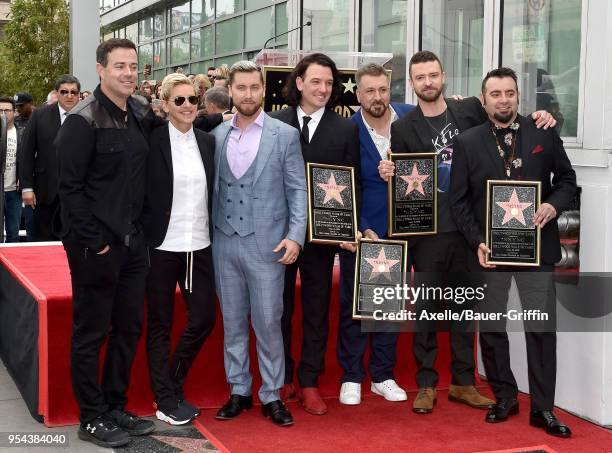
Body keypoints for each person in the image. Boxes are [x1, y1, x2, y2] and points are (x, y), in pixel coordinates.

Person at [379, 51, 555, 415]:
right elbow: (401, 173)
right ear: (411, 83)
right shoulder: (403, 126)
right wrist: (390, 174)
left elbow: (505, 121)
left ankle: (462, 382)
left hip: (469, 229)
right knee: (427, 307)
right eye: (420, 77)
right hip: (427, 232)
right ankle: (426, 384)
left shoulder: (469, 109)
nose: (428, 82)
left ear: (443, 77)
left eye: (433, 75)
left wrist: (545, 115)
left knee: (464, 309)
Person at [450, 67, 576, 437]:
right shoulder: (468, 141)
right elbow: (458, 202)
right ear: (483, 98)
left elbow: (567, 180)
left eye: (509, 93)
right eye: (495, 94)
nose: (503, 100)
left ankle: (543, 409)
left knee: (540, 329)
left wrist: (553, 205)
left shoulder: (543, 131)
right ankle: (505, 396)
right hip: (490, 252)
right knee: (491, 328)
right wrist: (478, 242)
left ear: (518, 95)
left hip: (536, 249)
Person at [55, 38, 159, 448]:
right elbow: (71, 190)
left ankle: (115, 405)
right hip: (95, 246)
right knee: (91, 332)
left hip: (134, 244)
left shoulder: (138, 112)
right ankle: (91, 416)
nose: (129, 73)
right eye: (120, 66)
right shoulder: (82, 119)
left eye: (133, 66)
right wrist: (96, 242)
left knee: (128, 329)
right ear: (100, 69)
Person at [212, 61, 306, 427]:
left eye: (254, 87)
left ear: (263, 90)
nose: (248, 94)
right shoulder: (217, 135)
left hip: (267, 245)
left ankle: (272, 394)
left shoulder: (284, 135)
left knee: (268, 323)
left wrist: (296, 235)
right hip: (223, 243)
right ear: (230, 91)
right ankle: (239, 390)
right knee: (233, 323)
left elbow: (298, 191)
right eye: (241, 88)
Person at [270, 53, 361, 415]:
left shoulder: (346, 129)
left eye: (329, 83)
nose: (323, 89)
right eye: (316, 81)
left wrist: (347, 225)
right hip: (279, 236)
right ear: (299, 84)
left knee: (315, 310)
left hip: (323, 240)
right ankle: (282, 377)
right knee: (277, 309)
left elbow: (353, 182)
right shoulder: (274, 123)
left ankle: (309, 381)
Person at [336, 63, 414, 406]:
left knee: (388, 307)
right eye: (370, 91)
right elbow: (343, 184)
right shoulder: (346, 130)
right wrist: (362, 225)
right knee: (355, 307)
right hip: (364, 232)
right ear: (358, 94)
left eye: (383, 89)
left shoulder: (411, 118)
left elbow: (455, 116)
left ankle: (382, 375)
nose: (378, 97)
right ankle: (351, 376)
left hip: (405, 229)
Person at [142, 73, 216, 426]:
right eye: (179, 100)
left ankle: (170, 383)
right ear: (165, 105)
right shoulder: (151, 138)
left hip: (199, 245)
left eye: (192, 100)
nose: (188, 106)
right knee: (159, 323)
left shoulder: (207, 142)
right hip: (161, 246)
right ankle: (165, 398)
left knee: (203, 318)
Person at [20, 74, 81, 241]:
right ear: (57, 93)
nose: (69, 96)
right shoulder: (40, 115)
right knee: (44, 243)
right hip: (46, 193)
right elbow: (26, 153)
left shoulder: (88, 116)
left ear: (79, 95)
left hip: (80, 194)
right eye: (64, 92)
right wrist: (27, 187)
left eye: (73, 92)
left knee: (76, 244)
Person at [0, 96, 25, 242]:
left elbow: (28, 160)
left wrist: (24, 178)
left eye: (7, 110)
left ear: (14, 112)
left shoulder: (22, 132)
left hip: (14, 192)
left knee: (13, 233)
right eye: (0, 110)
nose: (3, 113)